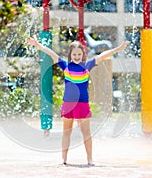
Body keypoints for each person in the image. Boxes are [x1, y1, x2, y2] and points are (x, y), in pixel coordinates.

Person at [26, 36, 130, 166]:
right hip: (68, 105)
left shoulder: (87, 66)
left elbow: (103, 55)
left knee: (86, 133)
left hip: (82, 105)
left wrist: (118, 49)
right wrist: (38, 45)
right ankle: (63, 159)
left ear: (83, 55)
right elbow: (52, 53)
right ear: (70, 54)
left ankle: (90, 159)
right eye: (74, 54)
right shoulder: (65, 65)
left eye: (79, 54)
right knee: (66, 133)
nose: (76, 56)